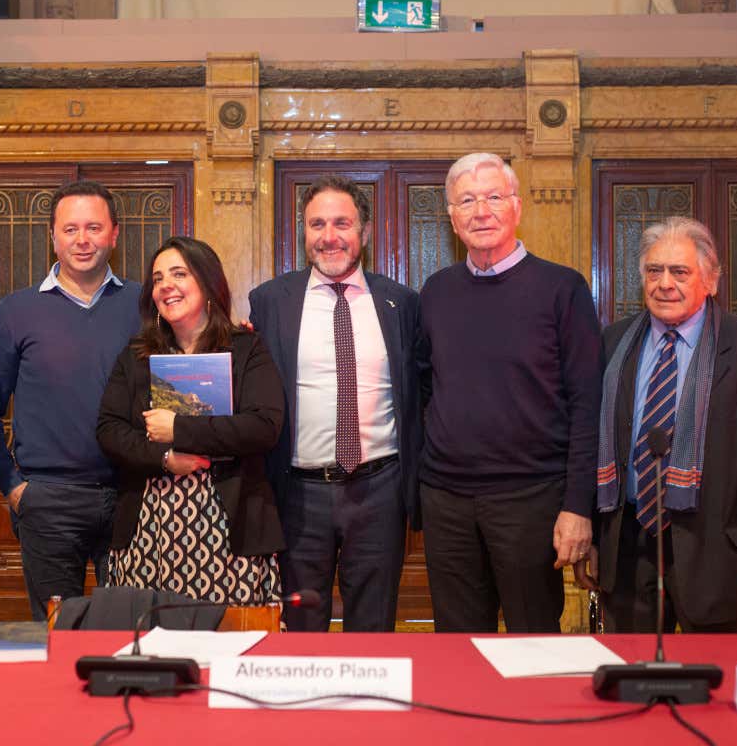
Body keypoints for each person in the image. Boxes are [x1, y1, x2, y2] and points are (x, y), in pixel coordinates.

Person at [574, 216, 737, 632]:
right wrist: (592, 536)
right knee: (630, 683)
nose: (664, 283)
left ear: (711, 280)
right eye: (653, 271)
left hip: (719, 560)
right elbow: (589, 443)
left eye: (680, 272)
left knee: (716, 688)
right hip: (628, 554)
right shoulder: (612, 344)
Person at [417, 152, 601, 633]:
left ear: (517, 207)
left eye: (494, 197)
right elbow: (422, 389)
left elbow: (588, 405)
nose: (482, 211)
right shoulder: (435, 292)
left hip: (531, 500)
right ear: (452, 218)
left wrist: (578, 506)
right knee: (456, 646)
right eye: (467, 201)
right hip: (446, 501)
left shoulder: (563, 289)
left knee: (533, 639)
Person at [248, 176, 421, 632]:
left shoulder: (400, 304)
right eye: (316, 224)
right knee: (300, 626)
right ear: (302, 233)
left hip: (380, 489)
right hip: (298, 493)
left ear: (365, 230)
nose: (329, 236)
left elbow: (418, 393)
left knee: (374, 625)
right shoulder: (269, 302)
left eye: (341, 223)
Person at [97, 236, 285, 602]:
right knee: (154, 648)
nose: (166, 285)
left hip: (231, 528)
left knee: (228, 644)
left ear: (207, 281)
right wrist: (165, 458)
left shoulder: (246, 349)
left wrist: (178, 430)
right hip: (149, 528)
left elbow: (264, 427)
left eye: (179, 274)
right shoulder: (135, 356)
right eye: (158, 278)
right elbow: (109, 431)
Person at [0, 180, 141, 620]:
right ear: (52, 236)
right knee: (57, 634)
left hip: (132, 497)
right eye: (70, 229)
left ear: (114, 234)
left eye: (94, 227)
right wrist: (13, 487)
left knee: (129, 631)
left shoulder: (143, 305)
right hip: (47, 500)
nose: (82, 239)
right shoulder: (16, 311)